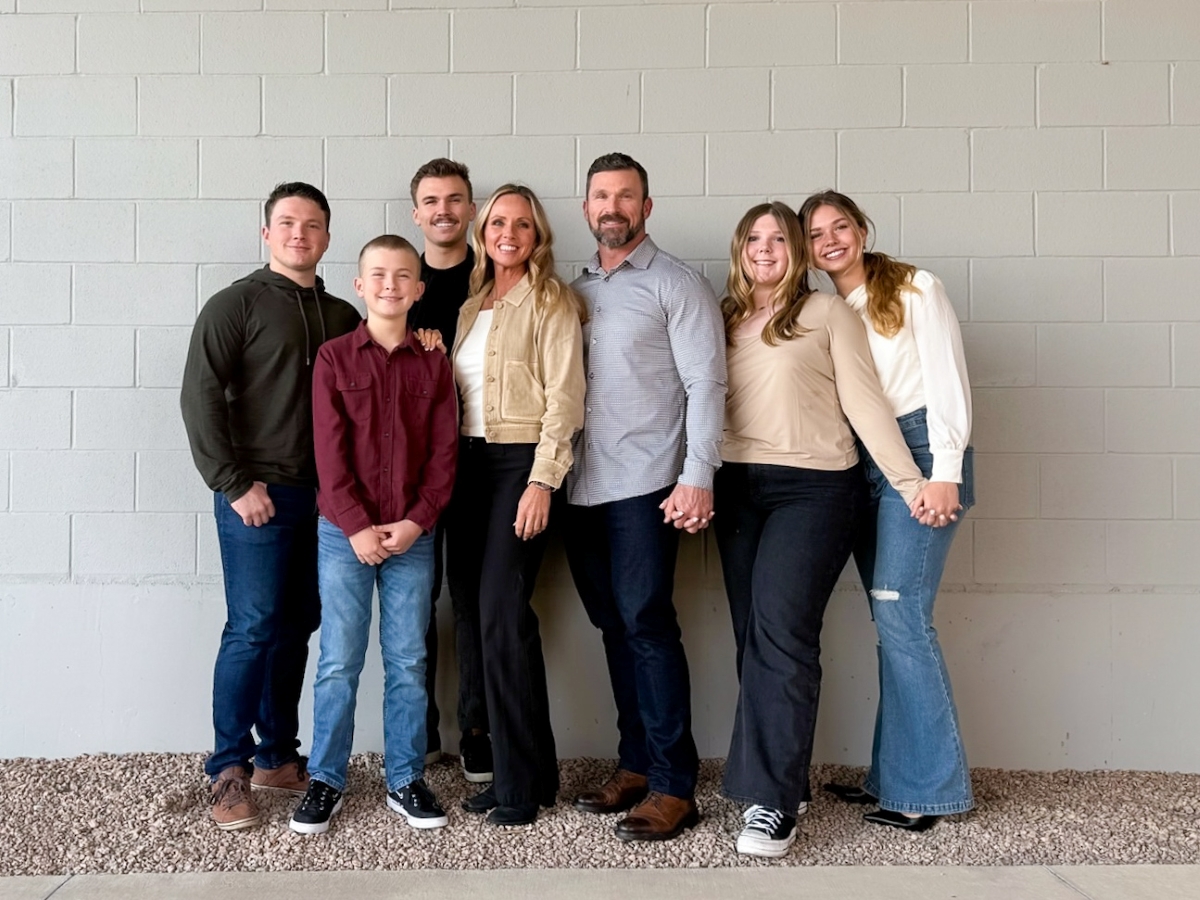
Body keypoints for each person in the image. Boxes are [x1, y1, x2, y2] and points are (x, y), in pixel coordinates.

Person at [714, 202, 937, 858]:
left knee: (782, 634)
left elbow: (865, 403)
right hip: (737, 490)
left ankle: (773, 804)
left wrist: (909, 483)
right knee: (752, 637)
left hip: (813, 489)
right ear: (740, 249)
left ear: (797, 252)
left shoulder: (826, 313)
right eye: (753, 239)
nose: (765, 248)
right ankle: (785, 777)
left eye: (778, 239)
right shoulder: (722, 318)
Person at [180, 182, 362, 831]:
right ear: (266, 233)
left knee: (297, 625)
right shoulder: (235, 304)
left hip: (325, 503)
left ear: (327, 237)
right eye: (286, 223)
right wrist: (234, 484)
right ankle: (228, 768)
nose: (298, 234)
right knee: (252, 626)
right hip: (256, 495)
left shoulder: (344, 315)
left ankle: (277, 757)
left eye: (312, 225)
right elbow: (199, 395)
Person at [800, 190, 975, 832]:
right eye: (816, 235)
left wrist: (945, 471)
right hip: (865, 461)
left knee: (903, 617)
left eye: (840, 227)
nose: (830, 241)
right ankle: (892, 776)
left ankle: (929, 791)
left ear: (863, 229)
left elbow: (947, 378)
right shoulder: (827, 310)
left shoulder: (914, 288)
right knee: (888, 616)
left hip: (923, 454)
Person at [565, 153, 726, 843]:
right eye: (602, 196)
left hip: (648, 484)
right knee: (613, 625)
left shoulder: (677, 283)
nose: (613, 207)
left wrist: (698, 474)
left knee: (647, 624)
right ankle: (634, 766)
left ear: (646, 207)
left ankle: (673, 784)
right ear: (586, 208)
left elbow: (707, 384)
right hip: (581, 487)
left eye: (626, 196)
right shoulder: (573, 291)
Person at [288, 235, 458, 835]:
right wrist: (356, 526)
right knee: (338, 660)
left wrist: (416, 522)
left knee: (408, 660)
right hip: (344, 536)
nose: (390, 284)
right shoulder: (334, 359)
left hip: (413, 535)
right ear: (360, 286)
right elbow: (327, 455)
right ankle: (327, 780)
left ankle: (405, 778)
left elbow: (443, 455)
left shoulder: (434, 362)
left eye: (403, 275)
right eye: (378, 275)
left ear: (418, 289)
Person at [448, 184, 585, 826]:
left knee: (503, 615)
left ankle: (519, 788)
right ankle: (528, 772)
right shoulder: (471, 305)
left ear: (538, 236)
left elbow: (566, 398)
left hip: (519, 464)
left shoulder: (553, 300)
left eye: (522, 224)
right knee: (480, 617)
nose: (508, 233)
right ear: (483, 233)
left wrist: (542, 481)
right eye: (498, 222)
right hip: (466, 467)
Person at [405, 157, 492, 784]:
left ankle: (477, 733)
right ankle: (420, 731)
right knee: (415, 601)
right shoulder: (400, 283)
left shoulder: (493, 278)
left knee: (471, 600)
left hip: (480, 462)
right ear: (417, 214)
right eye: (432, 201)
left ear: (470, 209)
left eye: (455, 199)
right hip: (410, 468)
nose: (444, 211)